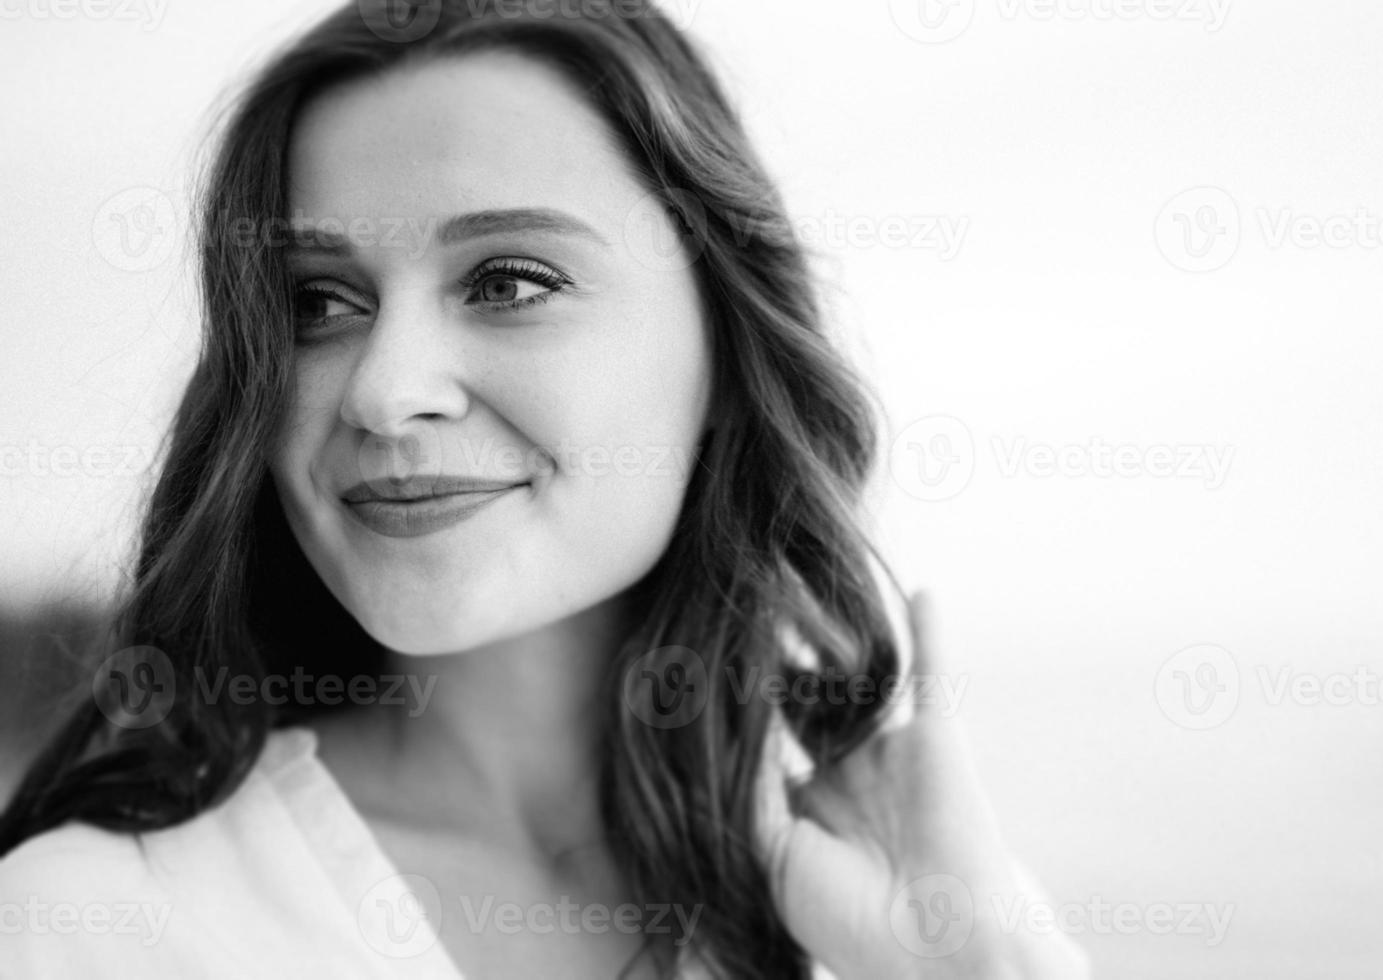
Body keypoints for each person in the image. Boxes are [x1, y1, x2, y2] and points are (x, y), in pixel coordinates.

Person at [0, 2, 1089, 977]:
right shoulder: (82, 929)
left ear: (725, 352)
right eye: (319, 304)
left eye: (509, 280)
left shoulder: (891, 901)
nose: (383, 392)